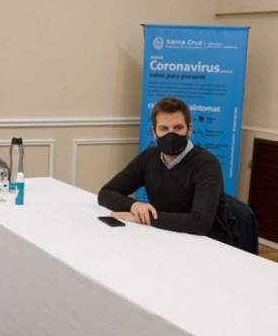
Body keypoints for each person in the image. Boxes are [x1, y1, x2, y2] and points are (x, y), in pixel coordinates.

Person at [97, 97, 235, 245]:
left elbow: (200, 223)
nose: (171, 135)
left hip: (210, 246)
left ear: (189, 130)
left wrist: (145, 218)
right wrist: (134, 206)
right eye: (164, 129)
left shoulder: (207, 164)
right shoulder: (149, 157)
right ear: (154, 132)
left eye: (178, 128)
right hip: (166, 237)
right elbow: (106, 193)